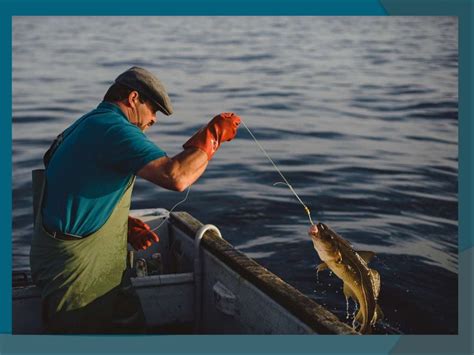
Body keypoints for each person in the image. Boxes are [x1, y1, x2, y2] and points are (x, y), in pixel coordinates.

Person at [29, 66, 241, 334]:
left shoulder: (87, 124)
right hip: (78, 273)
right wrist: (214, 135)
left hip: (86, 259)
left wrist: (121, 224)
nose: (151, 122)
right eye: (152, 113)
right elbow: (176, 177)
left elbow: (72, 186)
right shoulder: (113, 129)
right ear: (133, 99)